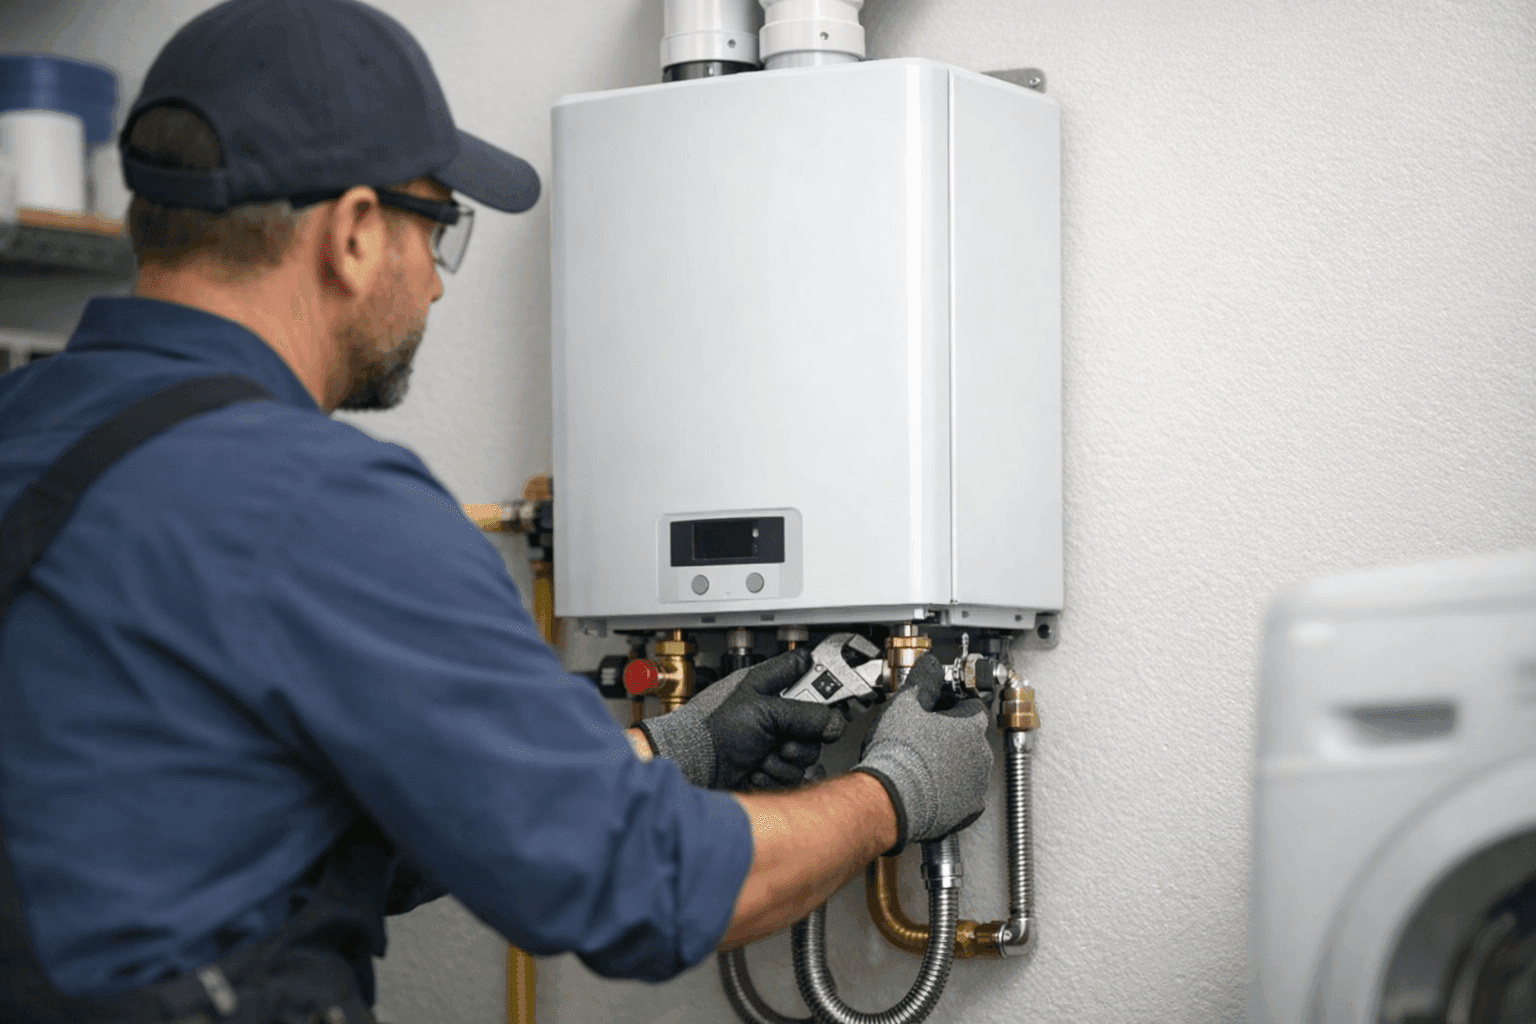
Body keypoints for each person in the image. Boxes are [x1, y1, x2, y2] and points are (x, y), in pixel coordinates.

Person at [0, 2, 995, 1022]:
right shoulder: (320, 509)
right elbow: (645, 884)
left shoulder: (23, 428)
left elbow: (274, 831)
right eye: (439, 228)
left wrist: (674, 750)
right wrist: (893, 794)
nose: (436, 286)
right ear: (353, 233)